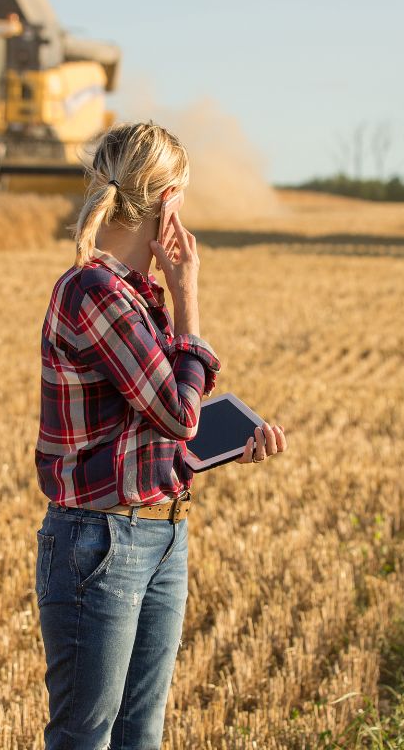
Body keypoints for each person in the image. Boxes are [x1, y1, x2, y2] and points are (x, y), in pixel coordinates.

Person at [34, 121, 287, 750]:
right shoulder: (93, 290)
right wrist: (188, 292)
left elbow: (157, 428)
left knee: (139, 737)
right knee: (84, 739)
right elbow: (177, 411)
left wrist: (228, 442)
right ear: (169, 199)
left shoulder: (136, 296)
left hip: (162, 530)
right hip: (102, 541)